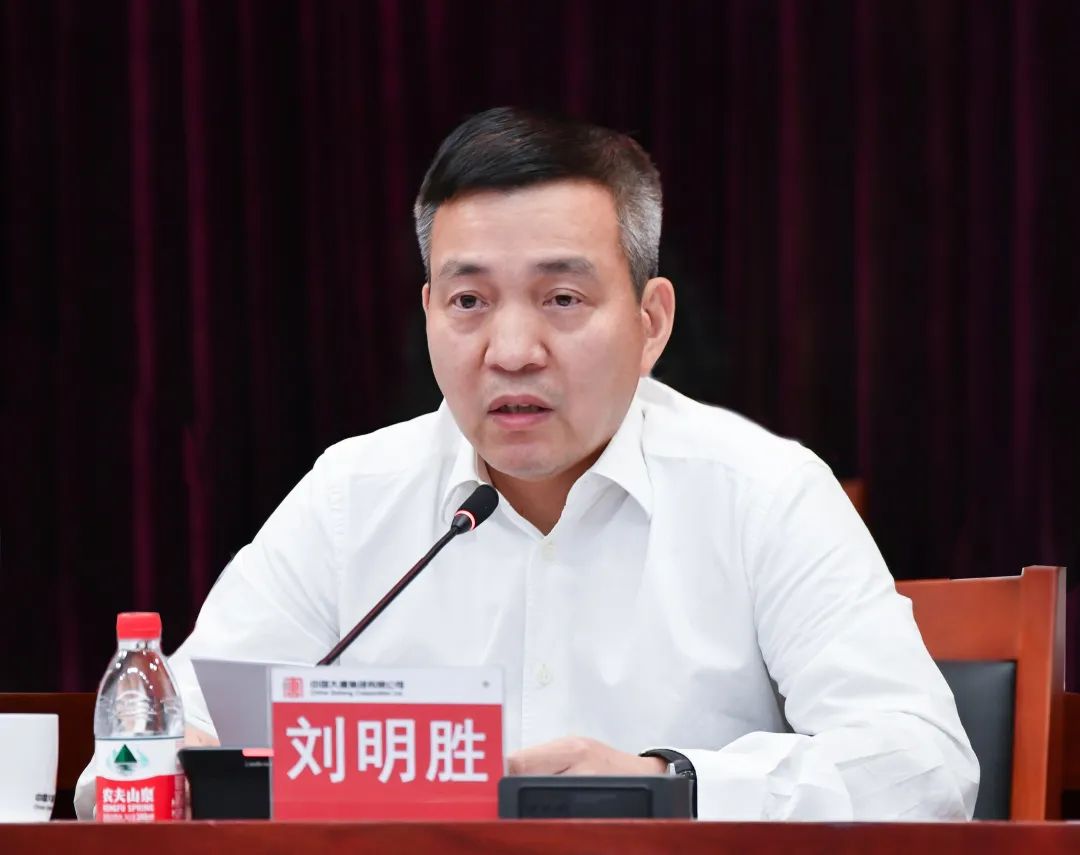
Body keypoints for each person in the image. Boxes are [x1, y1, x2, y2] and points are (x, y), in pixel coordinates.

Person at [77, 107, 977, 820]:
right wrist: (177, 766)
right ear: (429, 312)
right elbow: (138, 748)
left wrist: (669, 785)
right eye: (469, 300)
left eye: (563, 297)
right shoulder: (353, 497)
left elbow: (924, 764)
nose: (511, 350)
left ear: (651, 322)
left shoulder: (764, 493)